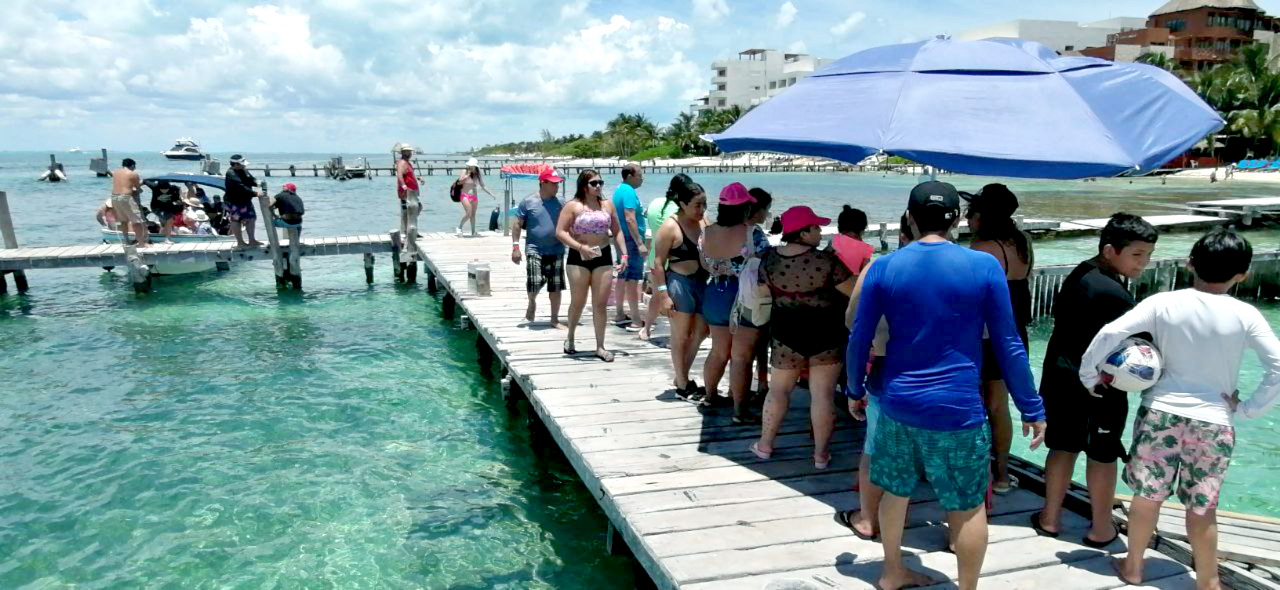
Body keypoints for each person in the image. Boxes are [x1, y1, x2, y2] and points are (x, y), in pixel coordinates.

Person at [845, 181, 1046, 590]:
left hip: (900, 402)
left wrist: (854, 389)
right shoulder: (984, 266)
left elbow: (859, 338)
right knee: (969, 507)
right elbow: (1007, 342)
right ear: (955, 219)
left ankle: (891, 572)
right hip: (958, 409)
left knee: (896, 492)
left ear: (910, 218)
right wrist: (1031, 406)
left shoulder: (885, 266)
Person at [1079, 228, 1280, 589]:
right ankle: (1207, 580)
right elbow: (1277, 366)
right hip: (1214, 422)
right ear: (1242, 275)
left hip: (1161, 413)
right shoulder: (1246, 314)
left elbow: (1111, 332)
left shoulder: (1163, 303)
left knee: (1147, 496)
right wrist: (1249, 409)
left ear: (1190, 264)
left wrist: (1089, 375)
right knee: (1202, 506)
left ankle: (1134, 568)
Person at [1034, 213, 1158, 547]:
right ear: (1109, 250)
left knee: (1062, 447)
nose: (1143, 263)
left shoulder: (1081, 273)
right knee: (1102, 455)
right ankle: (1102, 527)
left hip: (1060, 377)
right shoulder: (1112, 293)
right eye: (1136, 255)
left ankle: (1050, 517)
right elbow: (1146, 340)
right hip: (1097, 387)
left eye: (1147, 256)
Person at [750, 206, 855, 470]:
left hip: (786, 333)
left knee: (778, 391)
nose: (820, 231)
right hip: (826, 335)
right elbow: (854, 291)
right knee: (822, 395)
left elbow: (763, 294)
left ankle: (765, 445)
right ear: (803, 231)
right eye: (816, 227)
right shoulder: (827, 261)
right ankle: (820, 455)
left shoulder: (769, 259)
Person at [839, 212, 915, 541]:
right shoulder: (974, 267)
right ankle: (956, 536)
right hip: (950, 378)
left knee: (876, 448)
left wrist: (854, 387)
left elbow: (854, 323)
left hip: (890, 372)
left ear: (902, 233)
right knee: (950, 459)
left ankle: (869, 519)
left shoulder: (880, 268)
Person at [962, 183, 1033, 495]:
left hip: (985, 334)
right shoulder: (1023, 243)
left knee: (974, 403)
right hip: (1015, 332)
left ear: (982, 216)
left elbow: (968, 298)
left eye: (971, 212)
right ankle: (1002, 474)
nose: (966, 218)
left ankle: (973, 470)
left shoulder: (981, 250)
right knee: (999, 406)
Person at [699, 183, 769, 420]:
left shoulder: (707, 231)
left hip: (714, 293)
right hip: (742, 297)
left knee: (718, 351)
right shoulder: (752, 233)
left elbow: (704, 264)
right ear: (745, 207)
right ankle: (740, 411)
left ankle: (709, 397)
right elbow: (766, 264)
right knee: (741, 357)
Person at [556, 170, 626, 362]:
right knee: (578, 301)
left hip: (602, 255)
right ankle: (570, 337)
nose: (598, 186)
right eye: (594, 183)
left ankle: (600, 347)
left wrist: (624, 254)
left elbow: (617, 230)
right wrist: (580, 247)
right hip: (578, 256)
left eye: (600, 183)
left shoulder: (607, 205)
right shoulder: (573, 206)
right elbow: (560, 232)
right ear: (584, 185)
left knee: (600, 304)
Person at [652, 176, 710, 399]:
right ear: (683, 204)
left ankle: (681, 375)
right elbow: (657, 263)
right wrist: (663, 295)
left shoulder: (705, 223)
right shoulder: (670, 226)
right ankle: (683, 384)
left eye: (704, 204)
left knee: (703, 330)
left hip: (703, 282)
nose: (702, 209)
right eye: (697, 205)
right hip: (679, 282)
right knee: (681, 334)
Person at [512, 167, 567, 328]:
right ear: (543, 183)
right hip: (534, 248)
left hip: (557, 249)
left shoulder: (562, 202)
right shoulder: (528, 202)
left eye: (558, 184)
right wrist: (515, 247)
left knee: (555, 286)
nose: (556, 187)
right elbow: (517, 225)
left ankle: (554, 319)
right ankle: (532, 301)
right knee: (535, 281)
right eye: (553, 184)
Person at [638, 179, 684, 342]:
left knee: (657, 297)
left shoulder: (655, 203)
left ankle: (647, 329)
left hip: (654, 257)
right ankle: (675, 336)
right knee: (676, 300)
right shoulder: (680, 208)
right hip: (674, 259)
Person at [612, 164, 647, 331]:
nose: (642, 178)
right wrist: (640, 243)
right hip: (631, 241)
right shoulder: (628, 192)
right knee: (633, 279)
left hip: (622, 239)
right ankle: (635, 319)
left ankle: (619, 314)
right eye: (640, 174)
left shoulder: (620, 189)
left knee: (622, 276)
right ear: (631, 175)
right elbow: (630, 218)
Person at [224, 154, 261, 248]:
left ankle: (252, 240)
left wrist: (257, 183)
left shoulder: (243, 170)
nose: (244, 165)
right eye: (242, 164)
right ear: (236, 164)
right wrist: (255, 193)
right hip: (234, 202)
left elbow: (250, 179)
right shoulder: (231, 173)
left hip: (246, 200)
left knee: (252, 218)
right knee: (236, 220)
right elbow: (240, 187)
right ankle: (240, 242)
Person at [109, 158, 147, 246]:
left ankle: (126, 241)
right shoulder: (133, 174)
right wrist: (140, 189)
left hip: (114, 197)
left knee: (123, 220)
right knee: (136, 221)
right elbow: (138, 188)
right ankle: (141, 243)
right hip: (126, 197)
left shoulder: (116, 172)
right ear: (132, 165)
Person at [830, 205, 873, 278]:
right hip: (852, 285)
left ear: (839, 227)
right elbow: (865, 275)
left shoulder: (833, 242)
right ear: (862, 228)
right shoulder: (866, 249)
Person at [270, 183, 305, 271]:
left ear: (285, 189)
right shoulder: (298, 198)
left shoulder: (280, 195)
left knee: (271, 223)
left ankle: (274, 242)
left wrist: (274, 214)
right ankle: (295, 241)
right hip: (298, 222)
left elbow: (269, 206)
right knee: (298, 227)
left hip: (286, 222)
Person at [456, 158, 495, 237]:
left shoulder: (478, 174)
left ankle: (473, 232)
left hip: (474, 197)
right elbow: (459, 182)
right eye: (470, 166)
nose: (471, 168)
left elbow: (483, 186)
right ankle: (459, 227)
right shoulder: (465, 171)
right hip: (465, 195)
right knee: (468, 213)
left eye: (473, 166)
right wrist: (466, 176)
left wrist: (491, 194)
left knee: (473, 215)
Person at [395, 144, 423, 248]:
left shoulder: (408, 163)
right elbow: (400, 175)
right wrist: (403, 185)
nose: (409, 153)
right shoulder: (401, 163)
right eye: (407, 152)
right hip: (406, 191)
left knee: (415, 209)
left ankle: (411, 230)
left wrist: (419, 179)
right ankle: (406, 232)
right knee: (408, 210)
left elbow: (410, 176)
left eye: (410, 152)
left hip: (413, 191)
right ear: (402, 152)